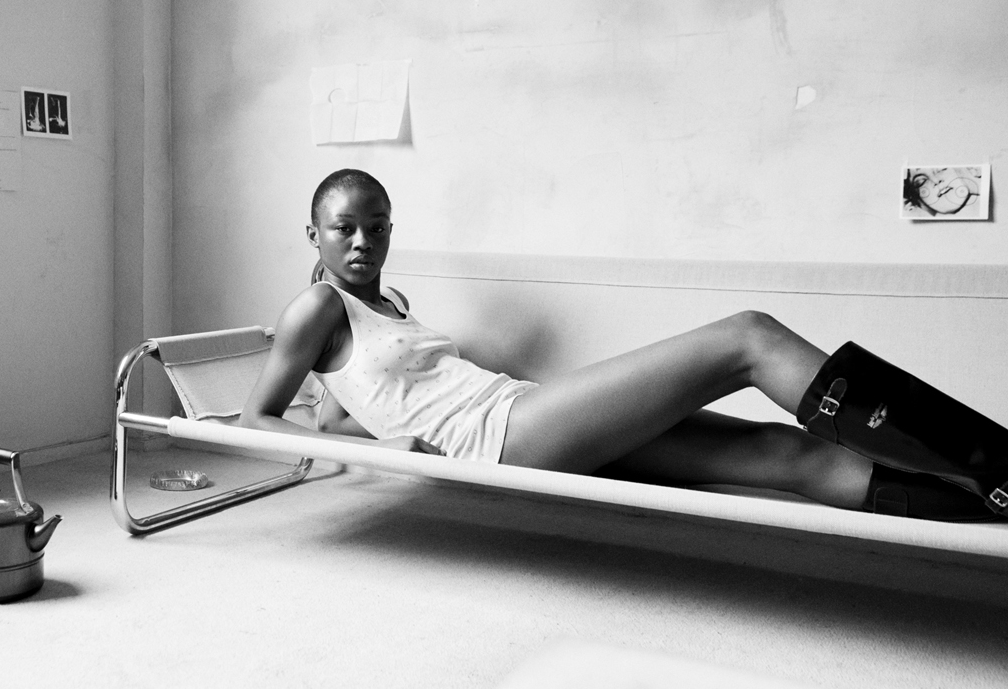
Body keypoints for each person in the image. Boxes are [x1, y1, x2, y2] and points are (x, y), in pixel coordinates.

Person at [239, 168, 1008, 522]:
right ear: (314, 233)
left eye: (377, 224)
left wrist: (360, 432)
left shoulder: (390, 305)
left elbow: (353, 407)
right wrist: (376, 454)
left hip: (519, 410)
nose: (363, 240)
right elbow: (253, 421)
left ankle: (990, 505)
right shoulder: (315, 305)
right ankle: (994, 462)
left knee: (784, 454)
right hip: (492, 439)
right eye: (345, 227)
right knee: (747, 337)